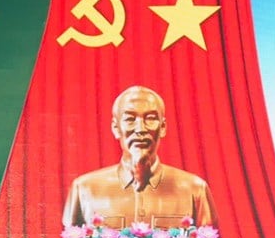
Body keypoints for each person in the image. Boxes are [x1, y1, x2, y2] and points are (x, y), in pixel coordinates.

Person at [62, 85, 218, 229]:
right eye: (130, 119)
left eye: (150, 118)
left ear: (163, 127)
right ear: (116, 128)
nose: (140, 129)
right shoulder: (84, 189)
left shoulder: (194, 189)